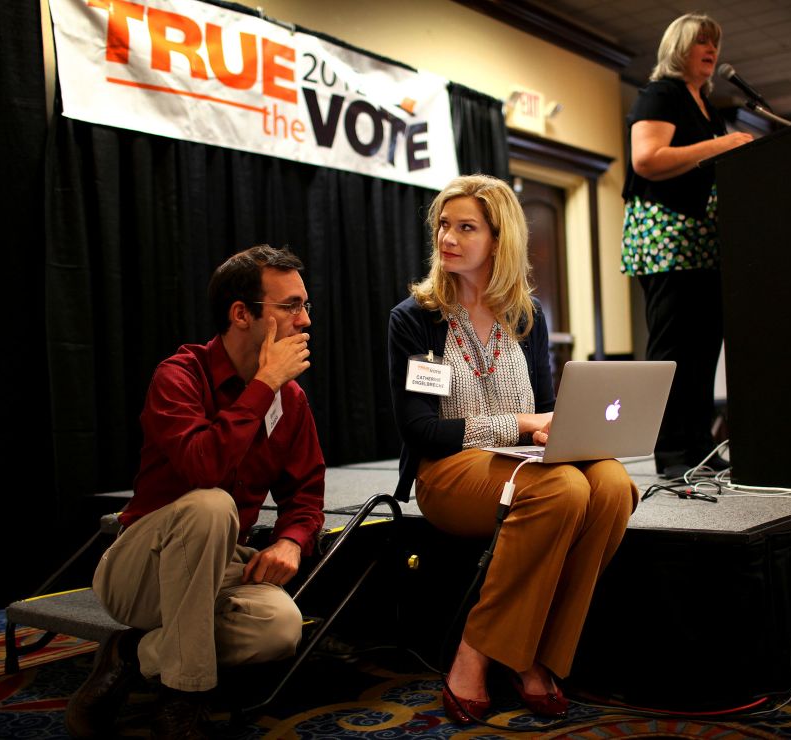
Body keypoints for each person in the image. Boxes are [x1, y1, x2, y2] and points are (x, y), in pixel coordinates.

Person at [389, 175, 638, 724]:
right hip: (447, 475)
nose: (447, 238)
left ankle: (540, 654)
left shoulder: (527, 315)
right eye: (443, 226)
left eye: (465, 227)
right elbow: (421, 431)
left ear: (500, 241)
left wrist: (557, 432)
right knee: (563, 488)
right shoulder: (416, 319)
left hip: (520, 465)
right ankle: (475, 652)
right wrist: (521, 426)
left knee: (614, 485)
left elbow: (549, 411)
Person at [65, 245, 325, 739]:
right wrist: (264, 383)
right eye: (291, 306)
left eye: (305, 306)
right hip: (140, 573)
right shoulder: (179, 375)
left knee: (280, 628)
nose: (305, 320)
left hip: (217, 567)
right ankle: (185, 700)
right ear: (241, 314)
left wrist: (291, 539)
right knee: (211, 504)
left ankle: (128, 654)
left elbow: (307, 493)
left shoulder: (291, 400)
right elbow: (204, 465)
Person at [620, 13, 753, 478]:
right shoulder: (662, 93)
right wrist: (722, 146)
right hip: (664, 238)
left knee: (703, 348)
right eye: (701, 40)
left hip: (703, 242)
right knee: (674, 349)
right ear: (679, 47)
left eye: (715, 41)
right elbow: (647, 159)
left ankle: (699, 446)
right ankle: (673, 453)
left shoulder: (706, 106)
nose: (711, 48)